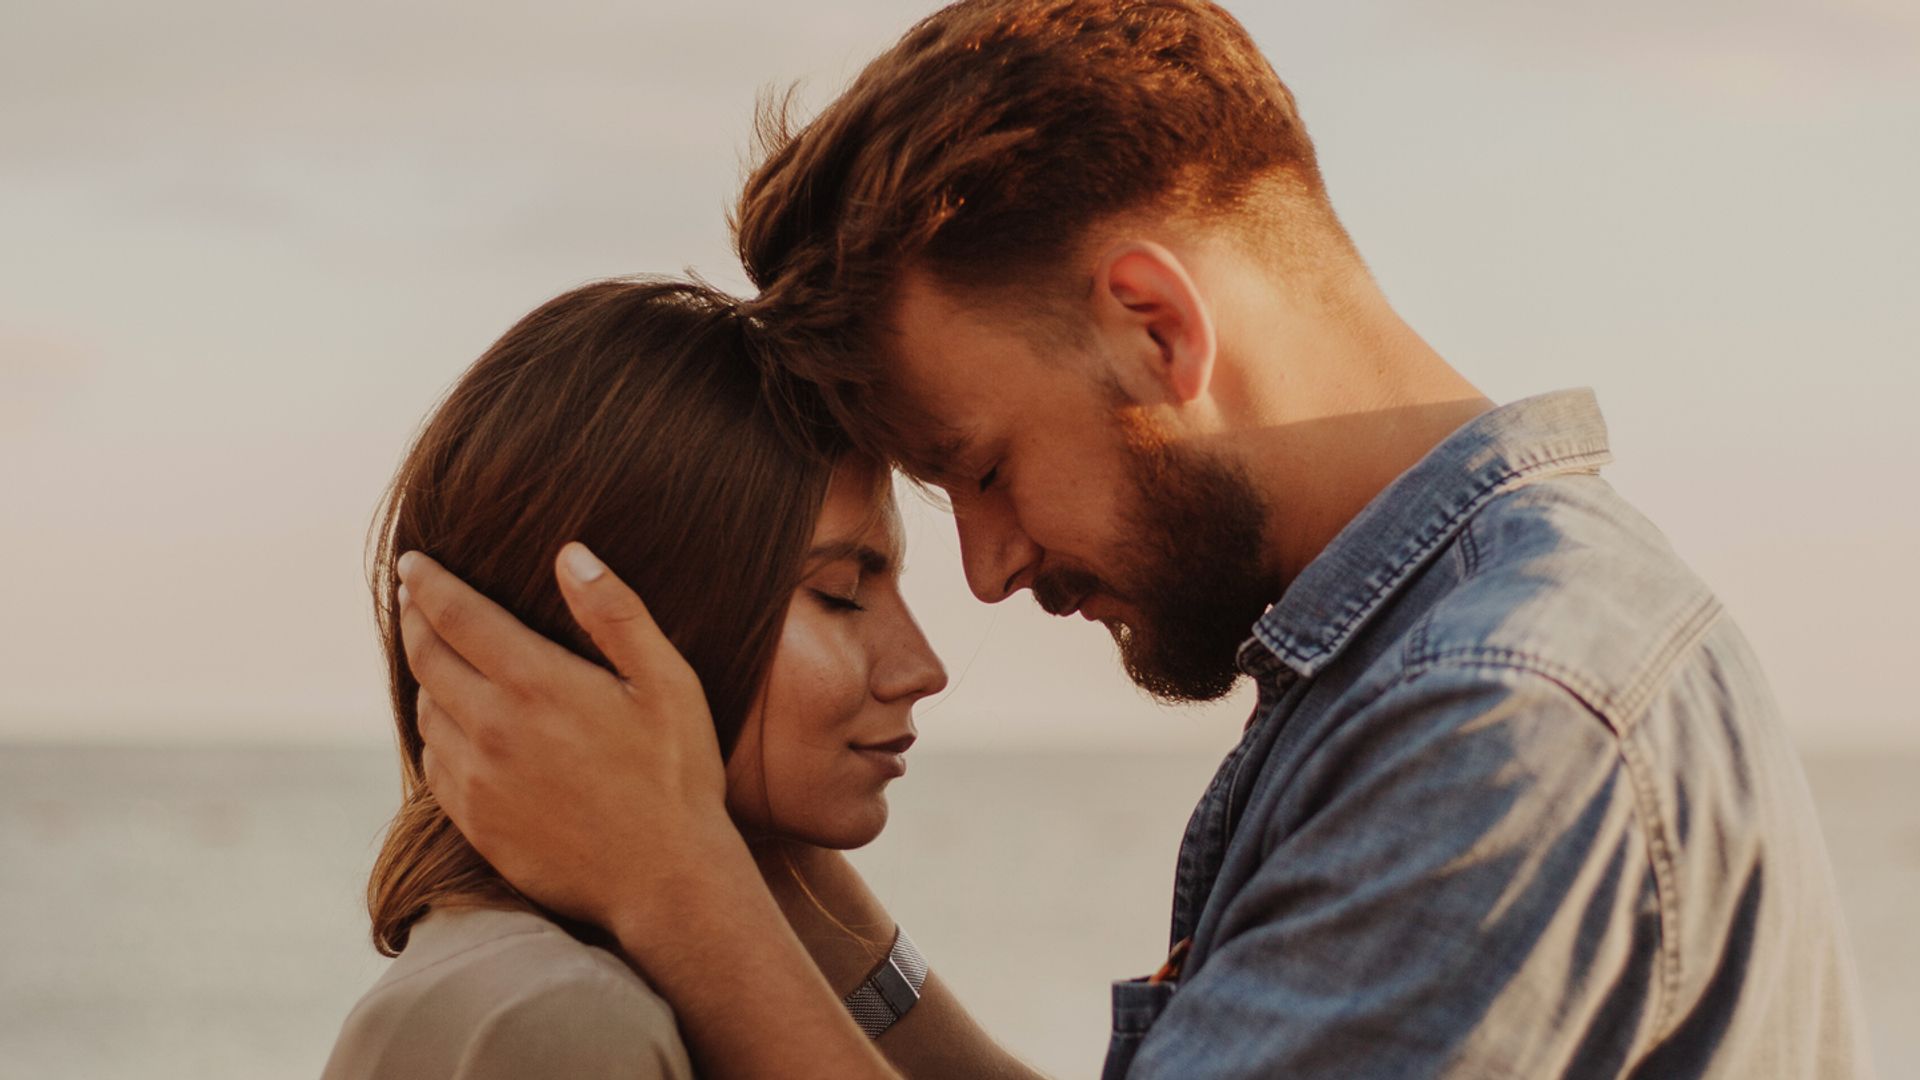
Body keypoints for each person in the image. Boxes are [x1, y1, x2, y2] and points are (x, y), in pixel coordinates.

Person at [394, 2, 1875, 1077]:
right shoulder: (1465, 648)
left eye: (979, 468)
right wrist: (779, 889)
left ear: (1157, 325)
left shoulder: (1497, 718)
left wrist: (676, 890)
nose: (986, 568)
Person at [321, 278, 985, 1078]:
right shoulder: (561, 1021)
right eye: (840, 595)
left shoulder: (569, 991)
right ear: (624, 625)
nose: (923, 669)